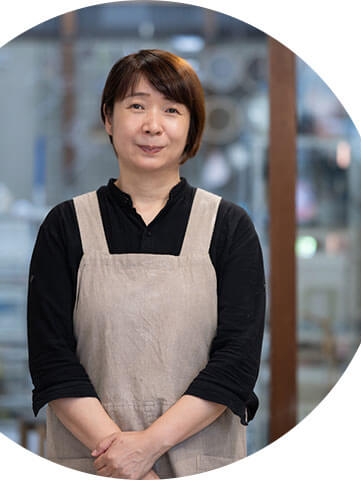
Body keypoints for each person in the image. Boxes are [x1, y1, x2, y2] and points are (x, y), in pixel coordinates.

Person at [27, 49, 266, 479]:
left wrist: (146, 450)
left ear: (192, 126)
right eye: (136, 106)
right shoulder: (66, 225)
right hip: (94, 459)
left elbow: (235, 364)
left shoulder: (228, 226)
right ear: (108, 118)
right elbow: (52, 362)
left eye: (171, 110)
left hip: (199, 459)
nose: (152, 125)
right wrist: (126, 461)